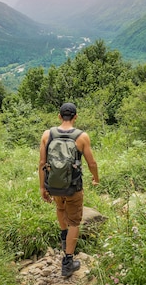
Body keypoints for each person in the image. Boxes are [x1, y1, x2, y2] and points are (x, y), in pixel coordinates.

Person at [39, 102, 99, 277]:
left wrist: (42, 186)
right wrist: (96, 178)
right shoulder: (82, 136)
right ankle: (68, 262)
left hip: (54, 186)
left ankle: (64, 237)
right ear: (75, 117)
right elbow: (92, 163)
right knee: (74, 222)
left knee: (60, 208)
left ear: (59, 116)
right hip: (73, 187)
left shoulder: (47, 135)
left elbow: (42, 163)